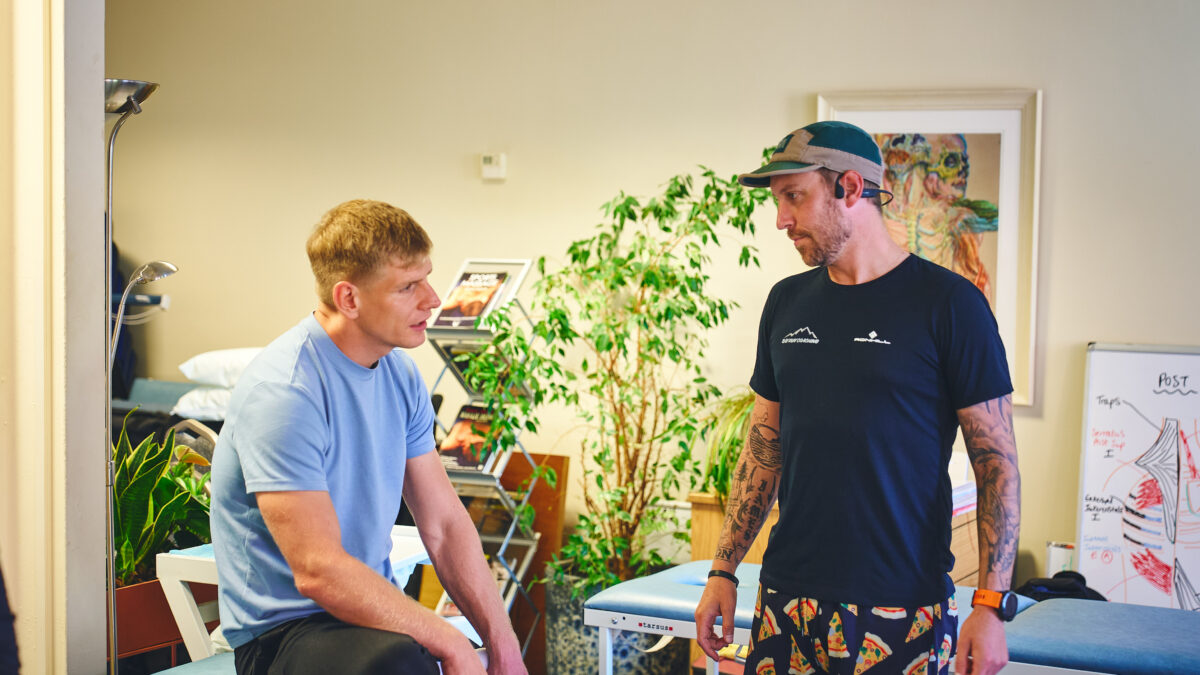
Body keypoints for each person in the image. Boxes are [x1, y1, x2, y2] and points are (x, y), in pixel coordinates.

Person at [694, 121, 1020, 675]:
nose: (781, 220)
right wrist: (723, 570)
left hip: (900, 605)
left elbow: (996, 464)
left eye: (794, 197)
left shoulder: (951, 306)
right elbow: (763, 445)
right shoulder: (786, 302)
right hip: (785, 600)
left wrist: (990, 606)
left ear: (849, 188)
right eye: (778, 201)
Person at [210, 199, 527, 675]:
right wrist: (451, 642)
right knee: (404, 660)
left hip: (372, 617)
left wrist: (503, 647)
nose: (433, 299)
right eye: (407, 286)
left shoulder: (399, 375)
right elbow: (319, 570)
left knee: (434, 654)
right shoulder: (284, 393)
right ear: (349, 299)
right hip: (285, 636)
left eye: (427, 277)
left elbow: (443, 524)